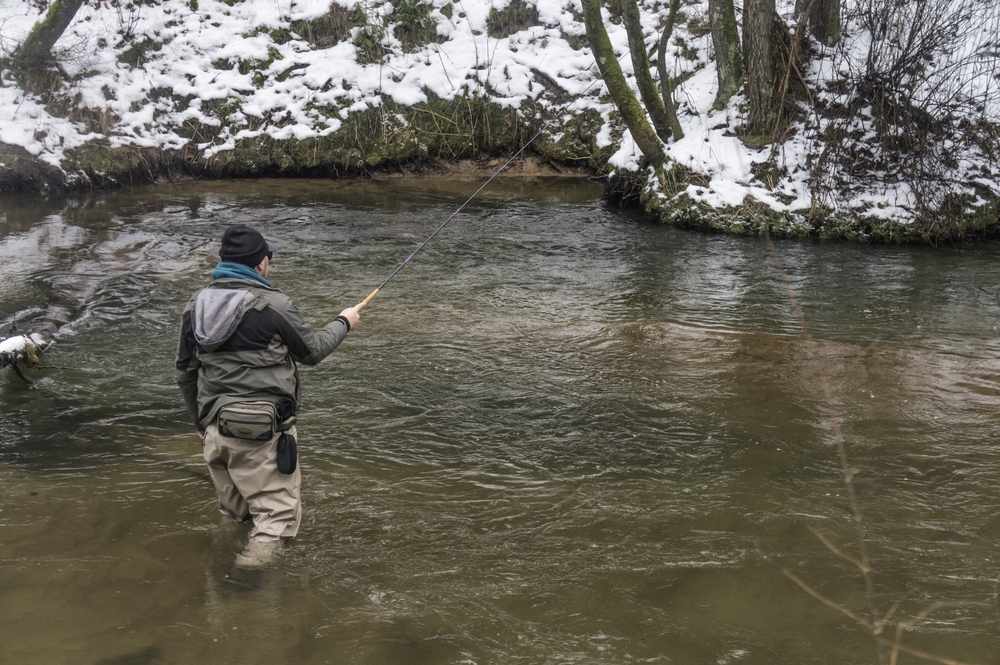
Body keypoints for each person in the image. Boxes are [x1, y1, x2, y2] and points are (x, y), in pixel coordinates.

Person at [176, 224, 363, 567]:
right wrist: (344, 321)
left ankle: (219, 581)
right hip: (262, 433)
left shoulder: (194, 306)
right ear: (260, 263)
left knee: (236, 514)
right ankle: (249, 582)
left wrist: (199, 423)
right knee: (275, 522)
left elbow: (185, 373)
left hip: (215, 431)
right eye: (269, 258)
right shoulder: (273, 305)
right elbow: (313, 353)